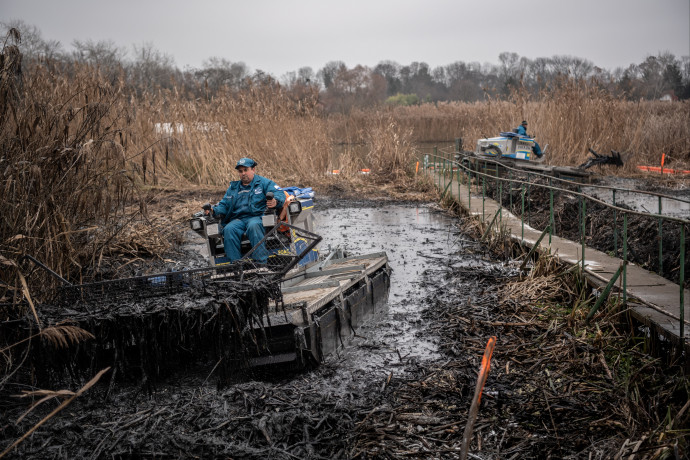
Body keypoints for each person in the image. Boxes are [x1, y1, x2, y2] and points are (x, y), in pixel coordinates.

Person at [204, 157, 285, 263]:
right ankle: (237, 265)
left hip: (256, 217)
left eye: (246, 170)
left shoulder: (264, 183)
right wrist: (213, 211)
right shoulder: (233, 188)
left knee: (254, 226)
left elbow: (279, 194)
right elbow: (224, 205)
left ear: (253, 170)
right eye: (240, 171)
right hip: (238, 220)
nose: (243, 173)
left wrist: (275, 201)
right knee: (229, 229)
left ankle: (261, 264)